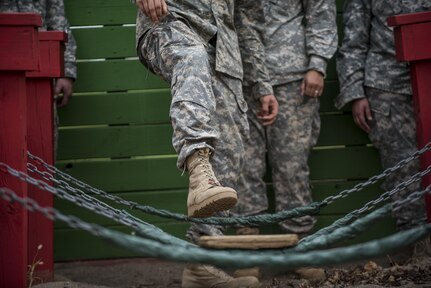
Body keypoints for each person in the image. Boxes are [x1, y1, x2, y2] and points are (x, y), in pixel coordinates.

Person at [133, 0, 276, 287]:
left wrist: (261, 84)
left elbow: (248, 21)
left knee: (232, 146)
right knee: (192, 55)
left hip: (225, 52)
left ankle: (202, 265)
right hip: (171, 23)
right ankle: (198, 168)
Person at [232, 0, 337, 236]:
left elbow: (321, 13)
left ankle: (299, 243)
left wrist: (317, 65)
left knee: (292, 166)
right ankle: (247, 246)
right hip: (242, 77)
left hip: (293, 80)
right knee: (245, 165)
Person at [335, 0, 431, 260]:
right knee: (403, 171)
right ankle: (414, 248)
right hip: (387, 86)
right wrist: (355, 92)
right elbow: (353, 39)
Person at [0, 0, 76, 107]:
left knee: (40, 120)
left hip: (40, 78)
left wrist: (66, 72)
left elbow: (59, 26)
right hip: (4, 75)